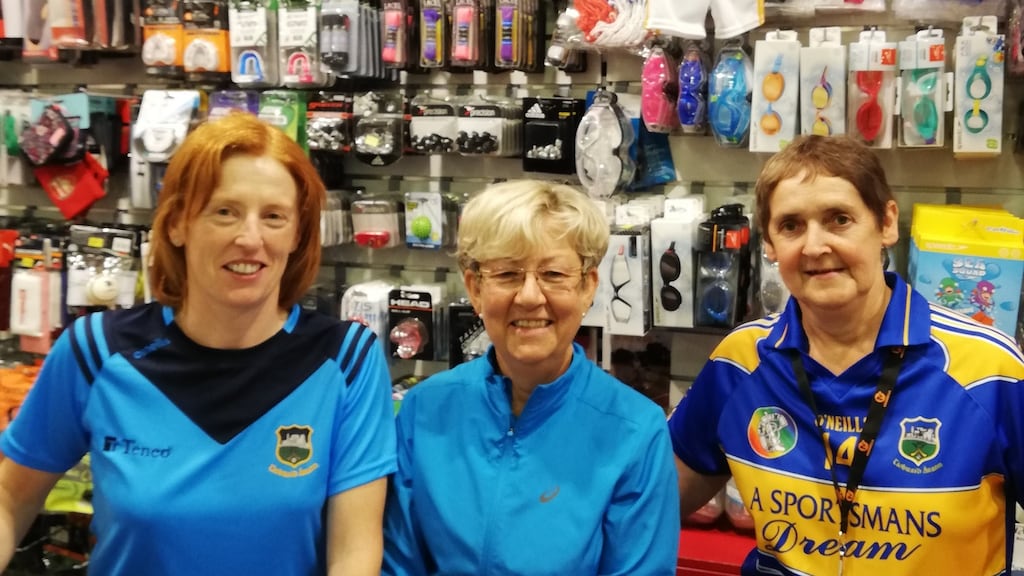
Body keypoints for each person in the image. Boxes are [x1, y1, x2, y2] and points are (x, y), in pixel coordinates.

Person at [0, 112, 397, 575]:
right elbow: (10, 497)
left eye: (273, 217)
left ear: (297, 235)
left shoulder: (347, 359)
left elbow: (354, 555)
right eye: (224, 211)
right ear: (177, 225)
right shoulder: (96, 351)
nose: (250, 239)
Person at [668, 134, 1024, 575]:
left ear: (886, 223)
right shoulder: (740, 364)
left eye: (839, 219)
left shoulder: (990, 371)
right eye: (791, 225)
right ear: (770, 245)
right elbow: (656, 497)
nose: (815, 247)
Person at [383, 180, 680, 575]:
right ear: (475, 288)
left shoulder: (635, 431)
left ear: (588, 286)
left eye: (553, 273)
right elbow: (397, 564)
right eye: (507, 273)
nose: (529, 296)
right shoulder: (424, 410)